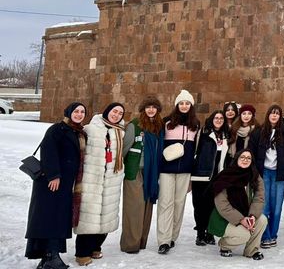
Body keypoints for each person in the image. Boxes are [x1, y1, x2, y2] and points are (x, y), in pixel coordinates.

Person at [25, 102, 87, 269]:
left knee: (57, 217)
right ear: (69, 112)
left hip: (64, 184)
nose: (79, 114)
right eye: (76, 111)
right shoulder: (57, 129)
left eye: (82, 112)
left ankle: (49, 256)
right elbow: (48, 151)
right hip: (51, 182)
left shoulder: (77, 132)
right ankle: (51, 256)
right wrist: (54, 175)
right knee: (51, 217)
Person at [73, 103, 126, 265]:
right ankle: (82, 253)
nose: (116, 115)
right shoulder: (90, 129)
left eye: (120, 113)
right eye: (114, 111)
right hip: (92, 179)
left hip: (111, 179)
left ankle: (96, 247)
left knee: (106, 216)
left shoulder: (120, 132)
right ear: (107, 111)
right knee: (89, 218)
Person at [157, 90, 200, 255]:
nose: (184, 106)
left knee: (179, 203)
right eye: (181, 103)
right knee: (165, 203)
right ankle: (164, 240)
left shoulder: (195, 124)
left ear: (191, 106)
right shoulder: (166, 122)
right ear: (177, 105)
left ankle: (173, 236)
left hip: (185, 170)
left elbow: (196, 148)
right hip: (167, 169)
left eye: (187, 103)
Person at [121, 97, 162, 254]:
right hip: (135, 170)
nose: (151, 110)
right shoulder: (135, 125)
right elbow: (124, 149)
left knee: (147, 207)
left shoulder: (158, 127)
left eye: (154, 107)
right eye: (148, 107)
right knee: (134, 207)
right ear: (143, 109)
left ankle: (141, 241)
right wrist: (121, 168)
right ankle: (130, 244)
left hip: (151, 172)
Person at [209, 150, 266, 260]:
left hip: (246, 214)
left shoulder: (255, 176)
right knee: (244, 235)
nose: (245, 160)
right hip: (225, 218)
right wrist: (241, 219)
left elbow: (259, 198)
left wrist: (253, 216)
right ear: (236, 159)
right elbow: (222, 205)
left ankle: (251, 251)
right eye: (242, 157)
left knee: (262, 220)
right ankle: (224, 245)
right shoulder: (225, 176)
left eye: (248, 158)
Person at [251, 104, 284, 248]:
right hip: (264, 173)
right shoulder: (258, 132)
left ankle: (273, 235)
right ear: (268, 115)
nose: (274, 116)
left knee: (277, 207)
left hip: (279, 174)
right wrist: (254, 172)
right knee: (265, 206)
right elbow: (252, 152)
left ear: (280, 116)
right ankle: (265, 236)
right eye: (272, 113)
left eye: (277, 113)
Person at [190, 110, 229, 247]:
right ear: (211, 119)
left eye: (221, 118)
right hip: (201, 175)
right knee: (199, 206)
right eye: (216, 118)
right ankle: (200, 234)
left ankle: (209, 233)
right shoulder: (203, 133)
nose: (218, 120)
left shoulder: (226, 136)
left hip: (217, 176)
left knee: (213, 206)